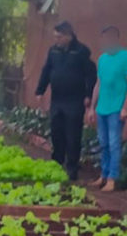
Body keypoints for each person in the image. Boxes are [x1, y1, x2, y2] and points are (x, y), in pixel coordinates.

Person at [35, 21, 96, 181]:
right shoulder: (53, 51)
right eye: (55, 37)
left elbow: (91, 74)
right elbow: (46, 70)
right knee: (56, 133)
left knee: (73, 135)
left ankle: (72, 168)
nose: (56, 40)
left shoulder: (81, 51)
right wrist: (40, 90)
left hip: (75, 100)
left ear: (69, 36)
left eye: (59, 37)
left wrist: (88, 95)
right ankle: (57, 163)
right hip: (57, 99)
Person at [88, 25, 127, 192]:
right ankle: (104, 174)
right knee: (103, 143)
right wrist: (92, 108)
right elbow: (98, 84)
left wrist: (126, 107)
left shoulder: (126, 57)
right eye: (103, 40)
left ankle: (112, 179)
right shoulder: (102, 59)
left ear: (115, 39)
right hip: (102, 108)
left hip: (116, 109)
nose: (105, 42)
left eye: (108, 39)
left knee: (114, 143)